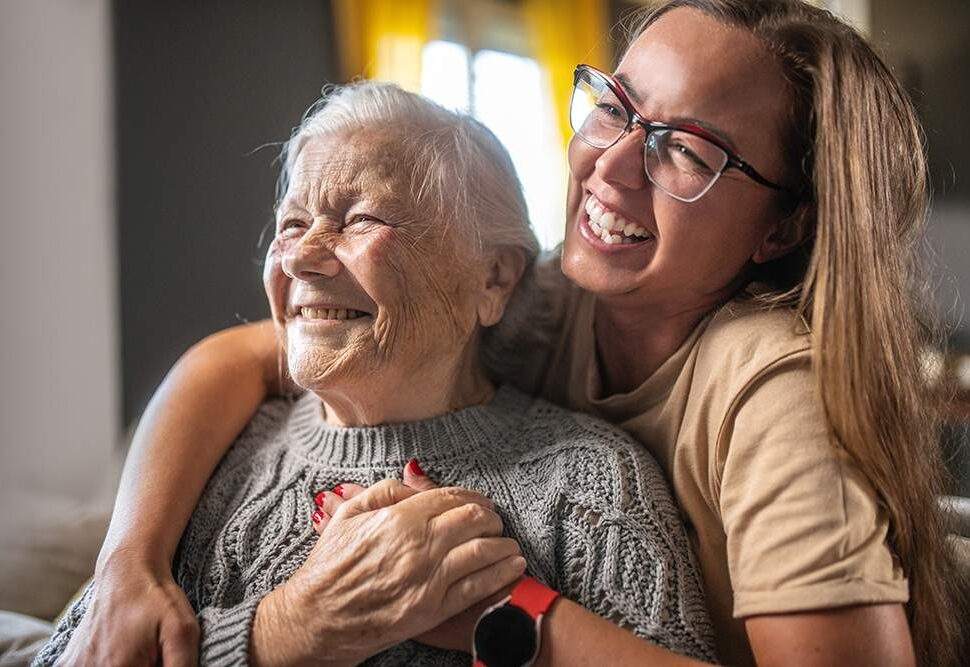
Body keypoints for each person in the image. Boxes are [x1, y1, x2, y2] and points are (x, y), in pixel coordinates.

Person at [41, 0, 966, 665]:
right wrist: (132, 560)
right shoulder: (556, 298)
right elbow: (256, 351)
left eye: (682, 149)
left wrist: (503, 607)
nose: (608, 165)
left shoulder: (772, 394)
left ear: (784, 226)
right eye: (613, 105)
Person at [34, 82, 716, 666]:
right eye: (291, 222)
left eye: (359, 218)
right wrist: (280, 633)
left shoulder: (590, 483)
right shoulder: (208, 456)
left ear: (493, 276)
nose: (301, 259)